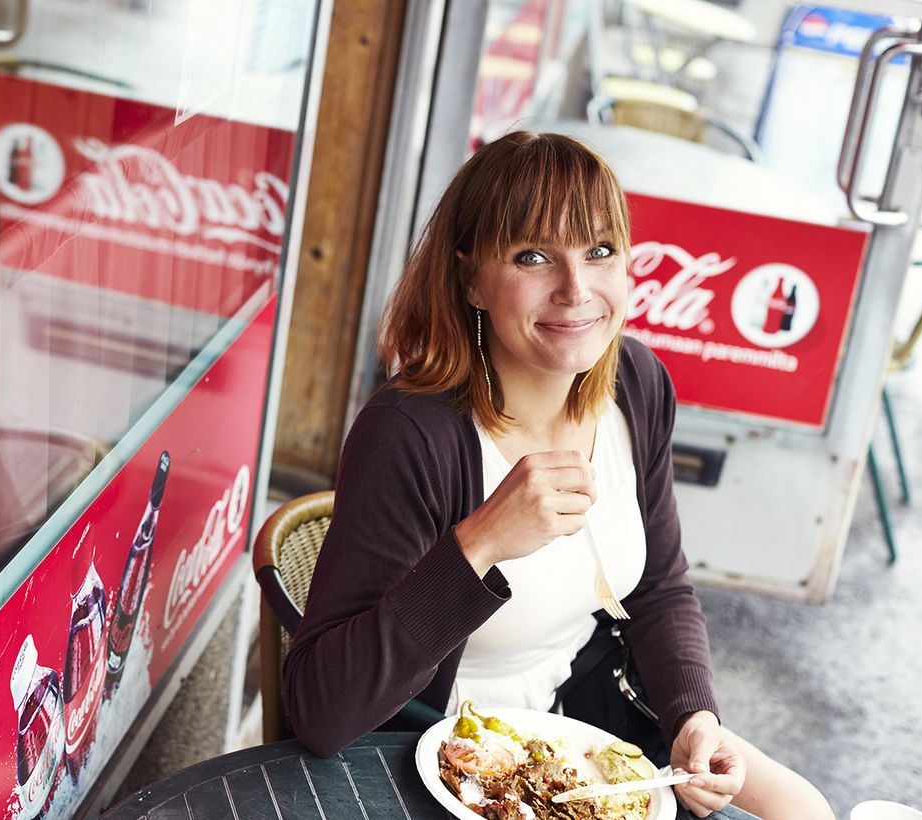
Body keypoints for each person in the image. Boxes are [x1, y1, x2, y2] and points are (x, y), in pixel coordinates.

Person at [282, 131, 833, 820]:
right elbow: (321, 711)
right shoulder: (409, 433)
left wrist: (693, 714)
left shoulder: (636, 383)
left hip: (584, 727)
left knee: (803, 809)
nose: (576, 290)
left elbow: (659, 587)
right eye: (533, 256)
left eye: (599, 250)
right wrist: (481, 542)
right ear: (471, 279)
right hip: (441, 754)